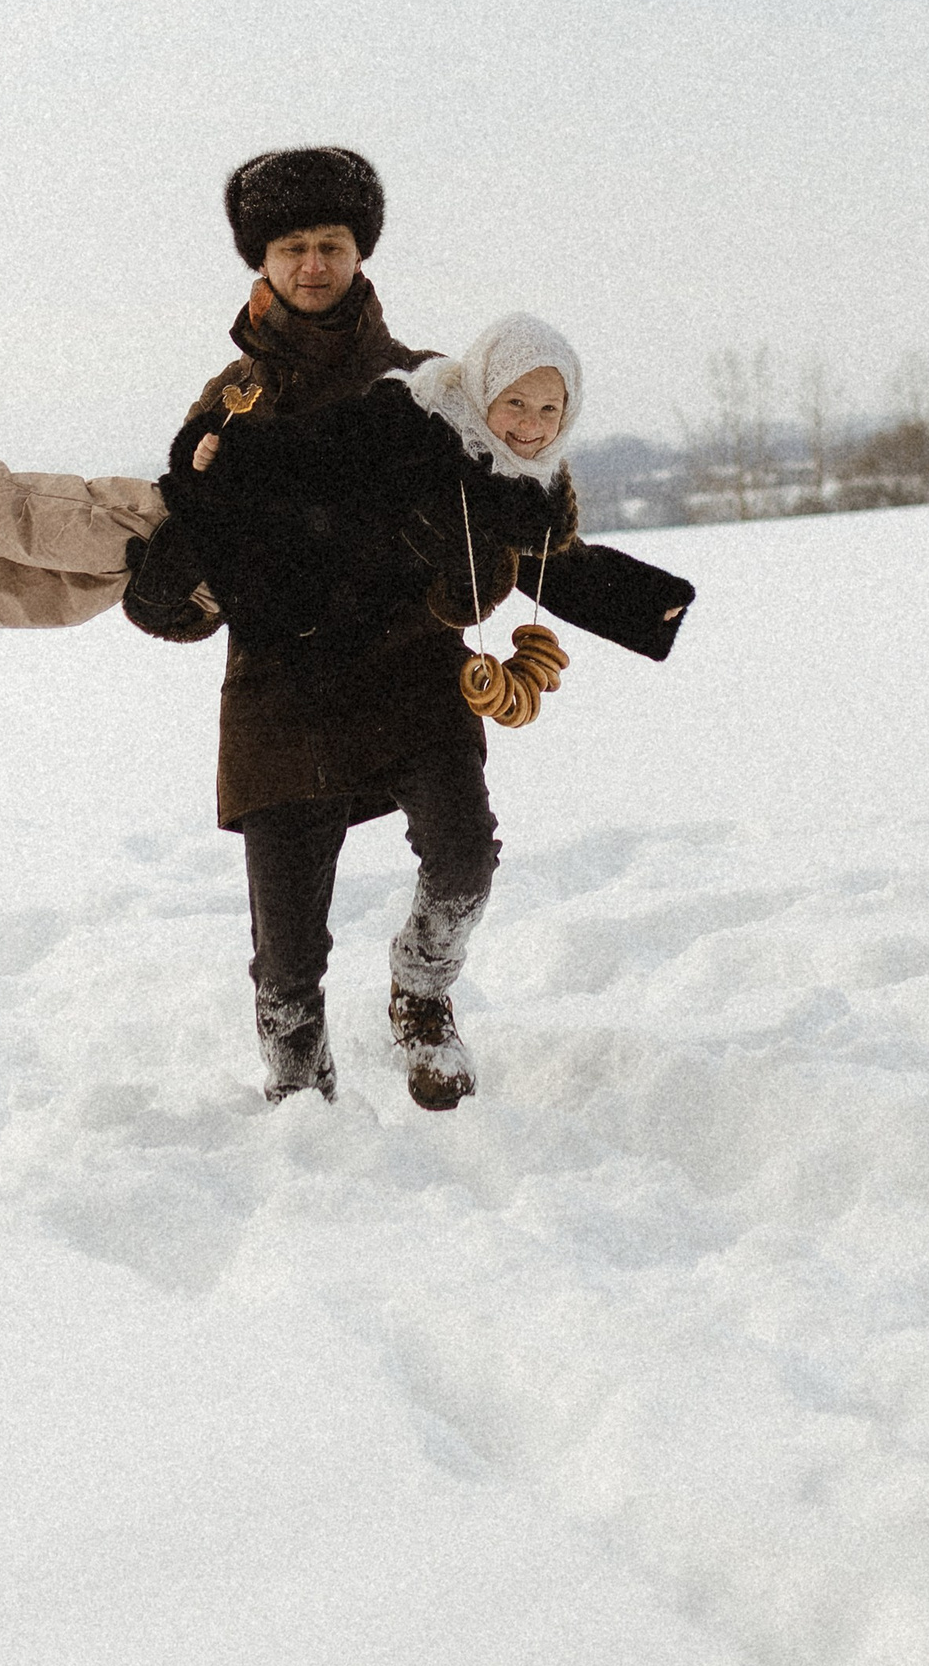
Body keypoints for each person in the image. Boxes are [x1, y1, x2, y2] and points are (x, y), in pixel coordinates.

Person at [160, 312, 695, 1113]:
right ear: (265, 262)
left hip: (408, 681)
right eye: (297, 247)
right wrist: (192, 532)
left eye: (550, 412)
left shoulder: (484, 439)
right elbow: (244, 489)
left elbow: (544, 552)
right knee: (287, 939)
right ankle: (300, 1087)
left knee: (465, 856)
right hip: (287, 686)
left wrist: (643, 607)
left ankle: (421, 992)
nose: (531, 424)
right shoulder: (344, 403)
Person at [0, 146, 400, 652]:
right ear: (264, 263)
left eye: (331, 245)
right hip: (264, 606)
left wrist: (179, 603)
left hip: (294, 605)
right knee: (122, 532)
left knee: (99, 573)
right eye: (294, 247)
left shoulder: (409, 382)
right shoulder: (238, 382)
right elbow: (189, 485)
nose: (314, 265)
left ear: (359, 255)